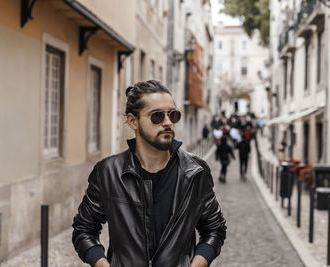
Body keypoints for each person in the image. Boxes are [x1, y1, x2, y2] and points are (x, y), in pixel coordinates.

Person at [72, 80, 226, 267]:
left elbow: (214, 229)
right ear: (133, 121)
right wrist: (103, 264)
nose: (168, 122)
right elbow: (84, 229)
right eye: (157, 116)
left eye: (173, 115)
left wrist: (195, 265)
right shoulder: (108, 172)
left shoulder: (195, 171)